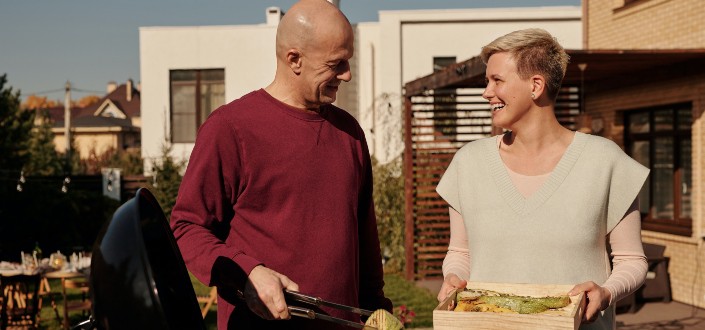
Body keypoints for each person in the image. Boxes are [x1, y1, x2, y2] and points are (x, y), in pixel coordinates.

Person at [170, 1, 392, 329]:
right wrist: (246, 272)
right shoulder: (230, 128)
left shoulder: (350, 133)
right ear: (294, 59)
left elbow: (364, 241)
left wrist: (377, 309)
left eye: (349, 60)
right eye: (336, 63)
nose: (347, 74)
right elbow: (187, 228)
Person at [435, 28, 649, 330]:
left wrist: (607, 291)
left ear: (536, 85)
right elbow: (460, 252)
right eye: (487, 81)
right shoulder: (468, 163)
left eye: (497, 80)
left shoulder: (605, 162)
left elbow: (632, 261)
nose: (486, 92)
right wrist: (453, 278)